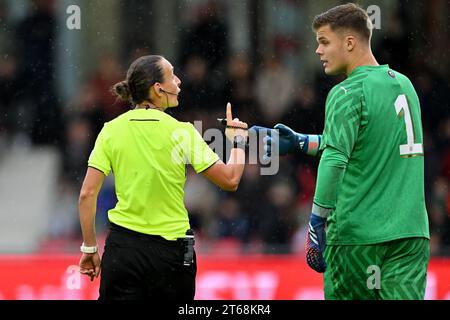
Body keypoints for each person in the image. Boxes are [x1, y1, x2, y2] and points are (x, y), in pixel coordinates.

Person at [251, 3, 430, 300]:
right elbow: (366, 142)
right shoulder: (404, 85)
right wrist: (301, 142)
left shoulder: (346, 92)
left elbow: (336, 158)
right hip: (411, 235)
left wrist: (316, 222)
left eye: (324, 42)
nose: (318, 51)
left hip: (358, 238)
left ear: (349, 42)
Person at [78, 55, 248, 300]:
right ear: (158, 89)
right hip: (173, 254)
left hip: (123, 249)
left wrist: (90, 248)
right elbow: (231, 179)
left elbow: (87, 194)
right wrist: (238, 140)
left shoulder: (111, 130)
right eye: (172, 76)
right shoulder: (182, 132)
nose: (179, 82)